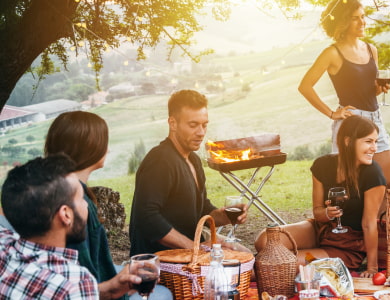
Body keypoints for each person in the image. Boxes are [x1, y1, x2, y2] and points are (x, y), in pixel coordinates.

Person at [44, 111, 171, 300]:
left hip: (84, 283)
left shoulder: (52, 189)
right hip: (95, 290)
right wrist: (116, 287)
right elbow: (86, 273)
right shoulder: (78, 205)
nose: (108, 149)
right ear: (90, 147)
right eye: (104, 142)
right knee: (164, 293)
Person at [254, 116, 386, 277]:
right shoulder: (322, 166)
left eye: (376, 142)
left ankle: (241, 271)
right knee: (264, 240)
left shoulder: (373, 173)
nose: (374, 148)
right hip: (320, 230)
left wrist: (372, 268)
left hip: (347, 246)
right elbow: (317, 211)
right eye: (368, 141)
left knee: (277, 265)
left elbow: (369, 223)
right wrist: (326, 213)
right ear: (348, 141)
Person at [0, 155, 138, 299]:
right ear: (65, 214)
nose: (86, 204)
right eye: (81, 198)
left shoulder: (3, 244)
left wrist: (111, 289)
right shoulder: (73, 285)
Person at [129, 90, 249, 256]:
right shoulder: (160, 161)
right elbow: (147, 218)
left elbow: (201, 210)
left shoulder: (193, 160)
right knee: (246, 267)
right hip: (162, 259)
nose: (201, 132)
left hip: (190, 249)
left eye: (204, 125)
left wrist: (226, 216)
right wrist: (195, 248)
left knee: (247, 256)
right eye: (193, 125)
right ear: (173, 123)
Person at [298, 0, 390, 189]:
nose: (362, 22)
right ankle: (351, 219)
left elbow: (370, 91)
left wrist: (380, 88)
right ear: (342, 22)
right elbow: (305, 86)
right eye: (355, 19)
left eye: (363, 17)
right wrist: (332, 113)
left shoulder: (370, 49)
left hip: (375, 120)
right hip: (351, 122)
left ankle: (378, 220)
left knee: (387, 181)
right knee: (350, 184)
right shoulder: (332, 53)